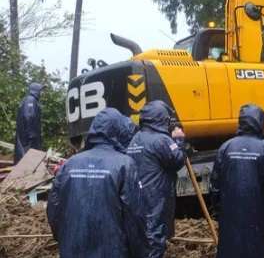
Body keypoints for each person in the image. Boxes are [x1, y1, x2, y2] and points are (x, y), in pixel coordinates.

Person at [47, 108, 145, 258]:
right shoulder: (125, 164)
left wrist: (64, 239)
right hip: (113, 250)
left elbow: (54, 208)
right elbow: (134, 216)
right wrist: (139, 252)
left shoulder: (70, 164)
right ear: (119, 131)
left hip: (72, 249)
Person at [210, 104, 264, 258]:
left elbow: (215, 185)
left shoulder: (226, 147)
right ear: (261, 122)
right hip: (258, 217)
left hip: (230, 216)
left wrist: (218, 210)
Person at [126, 100, 187, 258]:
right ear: (162, 119)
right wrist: (179, 141)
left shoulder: (136, 138)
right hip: (155, 195)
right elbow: (177, 160)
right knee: (154, 236)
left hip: (137, 195)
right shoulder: (161, 140)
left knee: (141, 235)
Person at [14, 83, 43, 164]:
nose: (41, 93)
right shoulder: (31, 100)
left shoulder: (27, 100)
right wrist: (32, 135)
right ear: (36, 91)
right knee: (28, 164)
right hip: (28, 143)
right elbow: (28, 116)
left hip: (25, 141)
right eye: (40, 90)